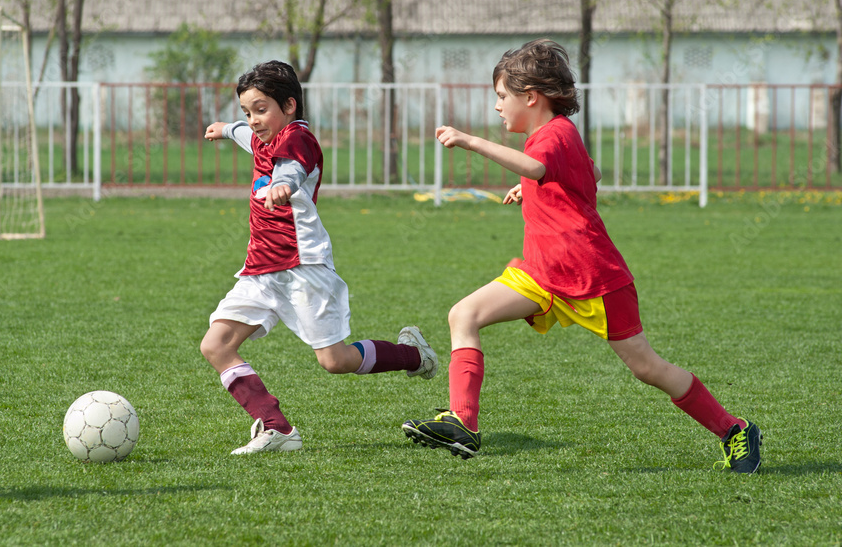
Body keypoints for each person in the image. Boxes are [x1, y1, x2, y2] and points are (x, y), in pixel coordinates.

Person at [401, 39, 761, 473]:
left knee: (647, 367)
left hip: (594, 278)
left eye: (502, 96)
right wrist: (538, 188)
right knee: (464, 315)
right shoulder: (550, 138)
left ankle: (734, 429)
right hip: (542, 274)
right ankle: (463, 422)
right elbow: (591, 172)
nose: (497, 107)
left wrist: (470, 142)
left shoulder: (555, 133)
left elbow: (538, 167)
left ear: (531, 97)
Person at [201, 60, 437, 454]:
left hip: (302, 266)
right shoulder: (262, 133)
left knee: (334, 360)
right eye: (247, 111)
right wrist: (227, 129)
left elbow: (293, 169)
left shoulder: (297, 139)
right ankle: (276, 428)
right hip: (260, 270)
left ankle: (413, 354)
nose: (253, 120)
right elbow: (248, 136)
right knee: (216, 345)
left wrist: (282, 185)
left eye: (261, 109)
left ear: (289, 105)